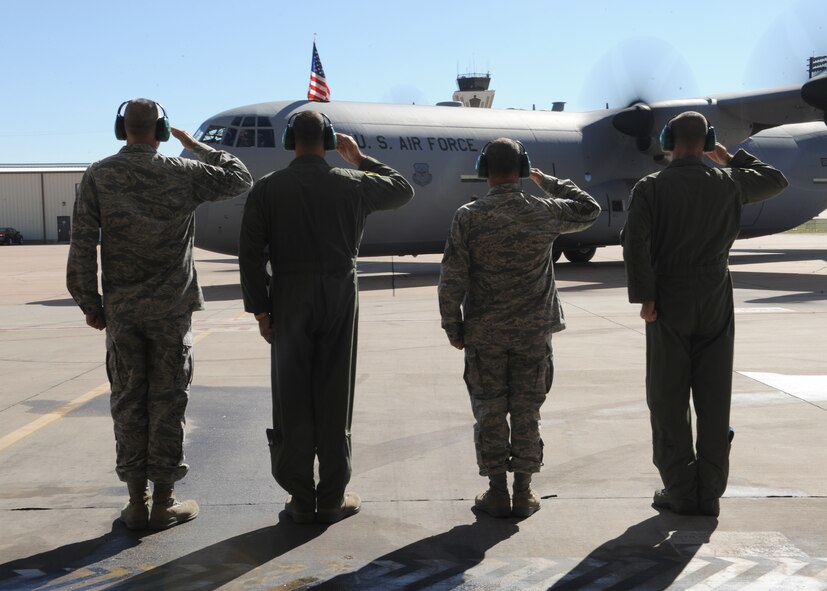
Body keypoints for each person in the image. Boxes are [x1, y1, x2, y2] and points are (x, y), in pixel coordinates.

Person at [66, 98, 253, 530]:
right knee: (168, 402)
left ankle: (135, 502)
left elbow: (81, 243)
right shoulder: (181, 171)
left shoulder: (99, 174)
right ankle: (165, 501)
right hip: (171, 309)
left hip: (123, 312)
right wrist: (198, 146)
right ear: (163, 131)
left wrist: (88, 302)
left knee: (129, 402)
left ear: (122, 129)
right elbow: (239, 178)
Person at [238, 110, 414, 524]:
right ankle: (332, 494)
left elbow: (250, 254)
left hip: (289, 293)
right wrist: (360, 159)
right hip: (339, 292)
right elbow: (402, 190)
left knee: (292, 394)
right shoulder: (353, 182)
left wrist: (261, 309)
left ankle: (300, 497)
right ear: (330, 138)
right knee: (335, 391)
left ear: (289, 140)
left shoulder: (267, 189)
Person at [622, 111, 788, 516]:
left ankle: (680, 488)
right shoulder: (729, 182)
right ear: (708, 140)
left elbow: (635, 244)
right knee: (714, 397)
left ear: (667, 139)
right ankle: (709, 491)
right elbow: (776, 179)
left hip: (667, 300)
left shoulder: (651, 187)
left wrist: (645, 297)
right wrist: (729, 158)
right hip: (715, 297)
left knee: (667, 397)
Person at [438, 138, 601, 518]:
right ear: (523, 167)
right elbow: (590, 209)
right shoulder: (543, 211)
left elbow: (452, 276)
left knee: (490, 411)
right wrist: (549, 182)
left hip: (485, 333)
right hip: (532, 332)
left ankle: (496, 492)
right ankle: (524, 491)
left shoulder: (469, 215)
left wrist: (452, 325)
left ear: (483, 170)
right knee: (527, 412)